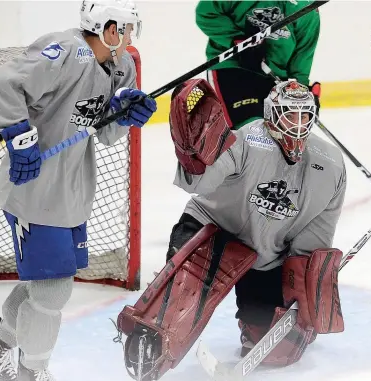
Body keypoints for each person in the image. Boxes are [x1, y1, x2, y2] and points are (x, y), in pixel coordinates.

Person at [0, 1, 156, 381]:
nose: (131, 37)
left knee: (45, 286)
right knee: (52, 292)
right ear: (109, 28)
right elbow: (2, 85)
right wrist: (17, 135)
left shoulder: (123, 66)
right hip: (34, 191)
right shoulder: (65, 50)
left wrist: (124, 113)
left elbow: (105, 134)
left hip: (71, 193)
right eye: (127, 28)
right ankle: (31, 373)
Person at [116, 78, 346, 381]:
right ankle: (151, 338)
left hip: (266, 255)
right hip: (212, 232)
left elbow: (317, 230)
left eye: (305, 115)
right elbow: (199, 184)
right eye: (291, 114)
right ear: (271, 114)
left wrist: (303, 284)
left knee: (279, 349)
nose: (298, 123)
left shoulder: (330, 164)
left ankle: (254, 324)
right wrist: (194, 160)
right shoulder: (248, 140)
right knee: (178, 305)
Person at [195, 0, 322, 130]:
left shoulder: (306, 6)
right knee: (247, 128)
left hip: (276, 77)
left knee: (281, 134)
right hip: (233, 67)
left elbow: (303, 52)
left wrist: (301, 88)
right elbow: (206, 13)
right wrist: (237, 41)